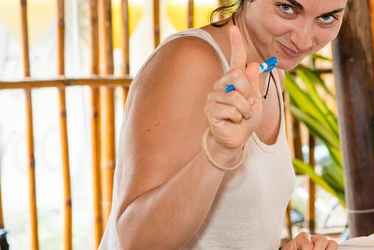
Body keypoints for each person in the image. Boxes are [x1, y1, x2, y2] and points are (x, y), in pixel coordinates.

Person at [99, 0, 347, 249]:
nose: (303, 40)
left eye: (326, 18)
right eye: (287, 8)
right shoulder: (190, 60)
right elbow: (137, 241)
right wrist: (219, 151)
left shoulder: (271, 68)